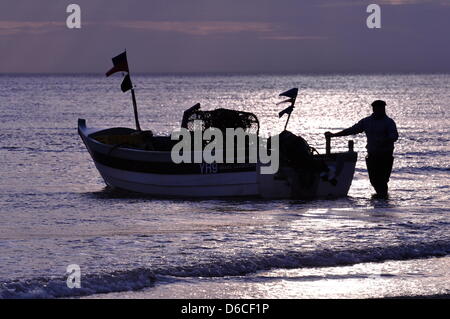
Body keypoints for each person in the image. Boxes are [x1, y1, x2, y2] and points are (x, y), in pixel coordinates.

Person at [325, 100, 398, 198]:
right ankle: (381, 202)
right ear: (374, 109)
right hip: (372, 155)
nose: (381, 110)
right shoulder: (367, 121)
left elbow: (394, 136)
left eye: (382, 108)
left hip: (385, 156)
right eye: (378, 108)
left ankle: (382, 202)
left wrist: (385, 140)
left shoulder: (389, 122)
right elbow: (352, 130)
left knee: (383, 180)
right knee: (374, 181)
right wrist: (334, 135)